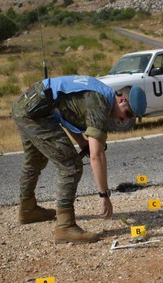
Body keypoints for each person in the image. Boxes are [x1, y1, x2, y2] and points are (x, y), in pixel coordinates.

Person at [11, 75, 147, 244]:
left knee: (35, 160)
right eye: (128, 114)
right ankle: (65, 226)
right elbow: (97, 156)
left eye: (131, 118)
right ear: (121, 100)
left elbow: (66, 115)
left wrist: (82, 142)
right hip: (37, 113)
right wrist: (104, 195)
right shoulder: (101, 104)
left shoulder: (100, 92)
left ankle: (27, 209)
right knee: (71, 165)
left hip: (27, 107)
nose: (125, 120)